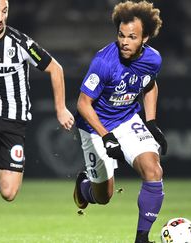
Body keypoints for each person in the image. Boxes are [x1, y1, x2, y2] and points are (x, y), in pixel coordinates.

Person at [0, 0, 74, 242]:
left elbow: (55, 68)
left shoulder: (20, 43)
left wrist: (60, 108)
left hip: (14, 126)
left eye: (4, 11)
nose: (0, 16)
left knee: (8, 193)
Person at [73, 1, 166, 243]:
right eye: (121, 35)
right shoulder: (104, 61)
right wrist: (106, 136)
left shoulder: (153, 60)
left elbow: (150, 85)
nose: (124, 41)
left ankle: (142, 238)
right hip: (95, 127)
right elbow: (83, 104)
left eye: (132, 37)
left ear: (145, 38)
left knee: (153, 170)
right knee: (104, 197)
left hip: (127, 119)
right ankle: (84, 186)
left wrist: (152, 122)